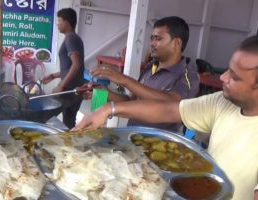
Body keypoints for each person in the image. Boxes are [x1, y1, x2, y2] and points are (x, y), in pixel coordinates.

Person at [73, 35, 258, 200]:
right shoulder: (221, 102)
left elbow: (170, 101)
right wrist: (107, 108)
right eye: (228, 69)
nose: (223, 77)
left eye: (234, 76)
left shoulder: (187, 76)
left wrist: (124, 82)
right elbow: (169, 110)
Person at [80, 16, 199, 133]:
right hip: (132, 138)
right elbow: (131, 102)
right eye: (152, 38)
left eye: (158, 39)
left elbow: (171, 105)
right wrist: (102, 92)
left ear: (177, 43)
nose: (152, 43)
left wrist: (124, 80)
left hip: (158, 146)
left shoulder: (187, 76)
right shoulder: (149, 67)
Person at [42, 8, 86, 129]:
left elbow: (76, 65)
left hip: (69, 90)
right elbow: (71, 66)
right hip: (75, 89)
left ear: (66, 22)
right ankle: (69, 145)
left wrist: (61, 86)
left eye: (59, 21)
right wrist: (53, 76)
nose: (58, 24)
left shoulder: (70, 38)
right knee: (69, 124)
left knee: (44, 115)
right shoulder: (75, 38)